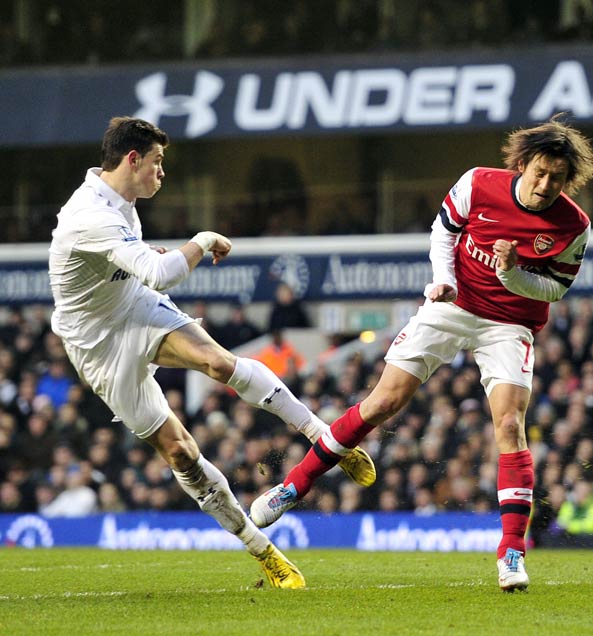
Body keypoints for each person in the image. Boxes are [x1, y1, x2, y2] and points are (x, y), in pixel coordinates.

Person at [250, 115, 593, 592]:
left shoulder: (573, 225)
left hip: (510, 323)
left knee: (510, 424)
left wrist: (513, 274)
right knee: (383, 403)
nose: (545, 185)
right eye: (539, 172)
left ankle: (512, 553)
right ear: (521, 164)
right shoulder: (478, 184)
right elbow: (444, 232)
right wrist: (446, 280)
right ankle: (294, 486)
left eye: (557, 179)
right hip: (452, 304)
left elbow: (554, 290)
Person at [47, 117, 376, 589]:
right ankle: (262, 550)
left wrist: (144, 257)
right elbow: (159, 273)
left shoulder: (123, 200)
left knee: (219, 362)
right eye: (158, 162)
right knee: (181, 453)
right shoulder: (89, 215)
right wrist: (201, 240)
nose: (162, 173)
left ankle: (326, 440)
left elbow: (134, 270)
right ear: (132, 159)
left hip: (135, 307)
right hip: (97, 346)